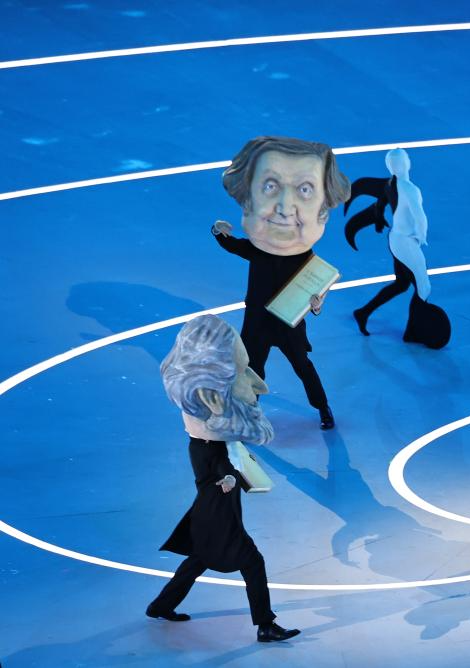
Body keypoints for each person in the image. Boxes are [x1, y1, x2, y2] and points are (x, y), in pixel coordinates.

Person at [146, 314, 300, 643]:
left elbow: (214, 459)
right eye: (239, 373)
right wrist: (228, 477)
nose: (257, 384)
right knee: (252, 561)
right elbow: (215, 465)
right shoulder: (208, 424)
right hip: (217, 503)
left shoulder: (199, 422)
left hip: (213, 503)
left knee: (199, 558)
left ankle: (161, 605)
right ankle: (265, 624)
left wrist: (230, 473)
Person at [213, 136, 351, 429]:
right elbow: (231, 244)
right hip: (258, 321)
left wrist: (316, 306)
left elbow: (316, 285)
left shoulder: (303, 254)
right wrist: (217, 230)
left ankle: (323, 408)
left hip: (288, 322)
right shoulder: (258, 247)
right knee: (252, 369)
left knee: (303, 367)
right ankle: (251, 413)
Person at [346, 148, 451, 349]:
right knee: (424, 288)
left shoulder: (389, 184)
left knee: (402, 284)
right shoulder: (410, 189)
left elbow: (380, 205)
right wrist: (422, 236)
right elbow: (420, 216)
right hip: (406, 243)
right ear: (407, 163)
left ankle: (363, 312)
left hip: (394, 239)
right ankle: (411, 333)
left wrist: (379, 220)